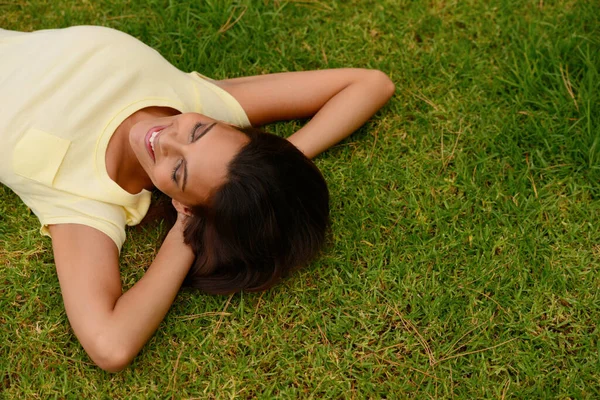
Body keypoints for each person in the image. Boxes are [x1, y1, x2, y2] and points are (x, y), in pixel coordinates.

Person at [0, 25, 395, 371]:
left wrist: (186, 232)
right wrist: (274, 164)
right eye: (198, 133)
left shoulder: (87, 197)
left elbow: (111, 346)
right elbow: (371, 83)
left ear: (184, 204)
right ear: (223, 125)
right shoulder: (202, 102)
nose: (165, 138)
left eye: (177, 171)